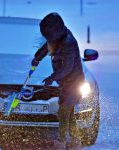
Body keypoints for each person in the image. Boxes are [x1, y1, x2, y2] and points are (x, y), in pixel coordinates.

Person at [31, 12, 84, 150]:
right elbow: (47, 47)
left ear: (55, 31)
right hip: (66, 83)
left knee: (63, 113)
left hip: (74, 83)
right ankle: (75, 141)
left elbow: (67, 68)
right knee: (69, 115)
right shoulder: (56, 38)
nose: (48, 39)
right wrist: (37, 58)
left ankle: (61, 143)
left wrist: (51, 77)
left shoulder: (68, 43)